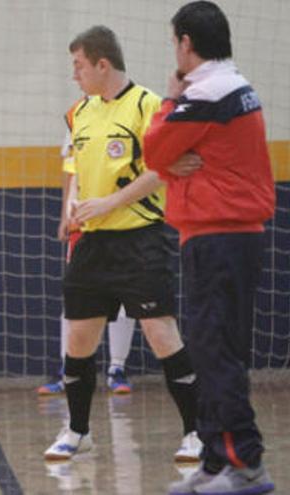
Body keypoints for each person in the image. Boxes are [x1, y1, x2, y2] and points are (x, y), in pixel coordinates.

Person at [42, 25, 202, 463]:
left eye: (79, 65)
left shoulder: (148, 105)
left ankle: (195, 432)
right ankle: (77, 432)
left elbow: (165, 167)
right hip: (92, 243)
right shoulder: (79, 112)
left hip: (140, 238)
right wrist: (71, 208)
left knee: (160, 332)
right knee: (78, 338)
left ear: (102, 64)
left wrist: (110, 201)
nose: (74, 74)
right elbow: (75, 165)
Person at [144, 2, 276, 493]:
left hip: (221, 237)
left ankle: (247, 464)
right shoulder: (227, 86)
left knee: (216, 351)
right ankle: (219, 459)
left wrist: (168, 98)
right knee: (208, 348)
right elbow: (167, 157)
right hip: (217, 236)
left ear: (184, 43)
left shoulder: (207, 93)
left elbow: (154, 150)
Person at [39, 123, 136, 396]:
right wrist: (64, 216)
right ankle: (67, 368)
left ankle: (117, 368)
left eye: (81, 74)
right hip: (83, 221)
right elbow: (70, 170)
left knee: (124, 298)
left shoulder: (132, 110)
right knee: (76, 296)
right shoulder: (76, 117)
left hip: (123, 219)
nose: (77, 77)